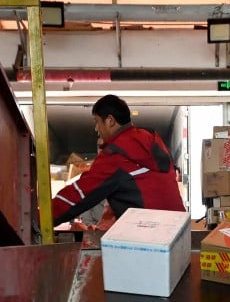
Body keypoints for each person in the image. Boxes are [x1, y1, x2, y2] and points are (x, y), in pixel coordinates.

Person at [52, 94, 184, 228]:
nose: (96, 128)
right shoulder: (152, 140)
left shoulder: (116, 153)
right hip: (176, 229)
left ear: (110, 120)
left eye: (97, 121)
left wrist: (44, 217)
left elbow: (79, 194)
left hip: (149, 233)